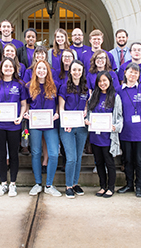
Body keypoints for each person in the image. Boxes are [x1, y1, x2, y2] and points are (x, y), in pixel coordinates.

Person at [0, 57, 28, 197]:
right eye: (6, 66)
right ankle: (3, 183)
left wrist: (21, 117)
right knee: (1, 155)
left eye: (11, 66)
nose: (8, 69)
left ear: (14, 69)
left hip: (14, 125)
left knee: (14, 154)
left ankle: (13, 184)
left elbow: (23, 104)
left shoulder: (20, 84)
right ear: (1, 69)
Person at [25, 60, 61, 197]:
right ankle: (38, 183)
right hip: (34, 125)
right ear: (35, 70)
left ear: (48, 71)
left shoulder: (54, 85)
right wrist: (27, 113)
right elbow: (26, 104)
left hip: (50, 124)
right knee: (35, 152)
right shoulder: (29, 86)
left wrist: (57, 113)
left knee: (53, 153)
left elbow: (58, 103)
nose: (41, 71)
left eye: (44, 68)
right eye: (39, 68)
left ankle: (49, 185)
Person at [116, 62, 141, 198]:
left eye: (136, 73)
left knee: (140, 160)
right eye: (130, 72)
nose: (133, 75)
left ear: (139, 75)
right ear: (125, 73)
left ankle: (139, 186)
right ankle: (129, 184)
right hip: (125, 131)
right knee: (128, 160)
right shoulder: (119, 90)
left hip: (140, 131)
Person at [86, 71, 123, 198]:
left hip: (108, 137)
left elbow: (119, 117)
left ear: (109, 81)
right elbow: (90, 114)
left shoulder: (115, 96)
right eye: (100, 81)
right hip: (95, 136)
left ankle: (111, 188)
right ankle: (102, 186)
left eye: (104, 81)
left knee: (109, 163)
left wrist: (116, 127)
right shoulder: (94, 96)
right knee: (99, 162)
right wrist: (88, 121)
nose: (102, 83)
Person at [58, 60, 89, 198]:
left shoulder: (85, 87)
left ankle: (76, 183)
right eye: (74, 70)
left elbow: (86, 104)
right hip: (67, 127)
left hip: (81, 127)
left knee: (78, 157)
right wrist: (66, 123)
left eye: (79, 70)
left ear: (82, 72)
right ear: (70, 71)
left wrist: (85, 112)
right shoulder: (64, 87)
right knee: (71, 158)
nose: (77, 72)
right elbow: (61, 108)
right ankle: (68, 186)